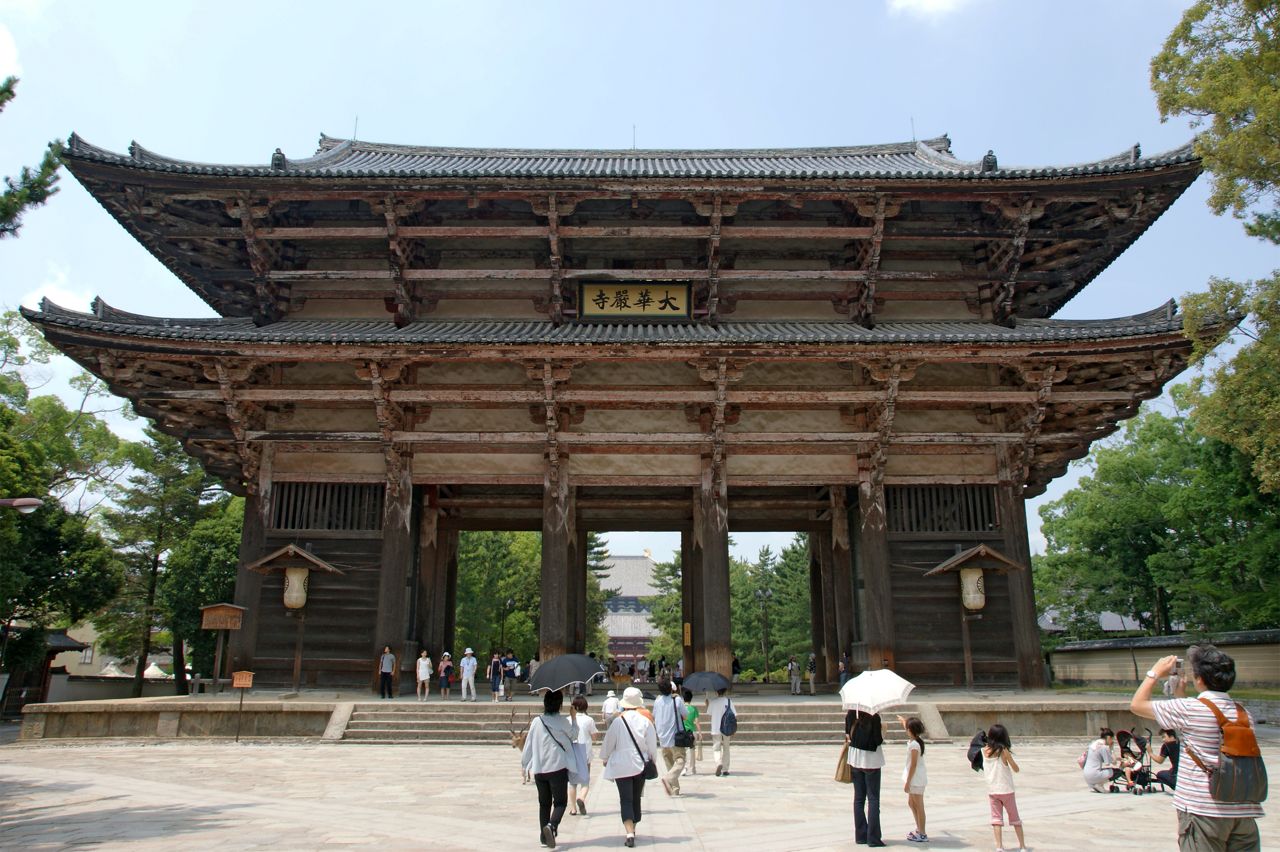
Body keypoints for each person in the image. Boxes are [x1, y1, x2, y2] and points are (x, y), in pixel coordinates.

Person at [1130, 644, 1264, 851]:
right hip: (1243, 810)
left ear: (1199, 679)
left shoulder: (1190, 708)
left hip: (1203, 810)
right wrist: (1180, 694)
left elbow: (1137, 705)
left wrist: (1154, 672)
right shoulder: (1243, 713)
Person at [601, 686, 659, 849]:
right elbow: (652, 746)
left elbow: (608, 743)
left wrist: (605, 757)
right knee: (635, 798)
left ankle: (629, 832)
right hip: (640, 764)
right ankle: (633, 828)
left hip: (621, 765)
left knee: (625, 799)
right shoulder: (646, 721)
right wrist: (653, 761)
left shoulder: (617, 722)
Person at [521, 689, 578, 849]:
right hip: (557, 767)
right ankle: (551, 827)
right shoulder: (562, 722)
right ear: (560, 705)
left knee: (544, 804)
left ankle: (544, 838)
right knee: (560, 802)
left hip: (539, 769)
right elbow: (574, 735)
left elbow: (529, 745)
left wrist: (524, 764)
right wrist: (573, 717)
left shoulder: (537, 721)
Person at [982, 723, 1027, 852]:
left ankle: (999, 846)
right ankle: (1022, 846)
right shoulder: (1004, 751)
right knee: (1015, 818)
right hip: (1006, 789)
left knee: (996, 820)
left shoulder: (983, 751)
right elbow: (1016, 769)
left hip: (992, 790)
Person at [845, 709, 885, 847]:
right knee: (873, 799)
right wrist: (883, 730)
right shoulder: (874, 717)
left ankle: (861, 835)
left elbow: (847, 735)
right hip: (871, 760)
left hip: (855, 759)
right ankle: (873, 837)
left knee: (858, 799)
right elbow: (877, 741)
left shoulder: (851, 713)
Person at [652, 677, 686, 796]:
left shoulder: (657, 701)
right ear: (671, 688)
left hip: (662, 736)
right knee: (680, 760)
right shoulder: (677, 700)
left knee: (669, 763)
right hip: (675, 737)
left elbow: (654, 716)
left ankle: (675, 789)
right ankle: (668, 779)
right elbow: (685, 715)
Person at [898, 714, 928, 843]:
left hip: (916, 779)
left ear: (911, 730)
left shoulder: (915, 745)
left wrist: (908, 782)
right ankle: (919, 828)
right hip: (914, 778)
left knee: (918, 805)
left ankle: (922, 832)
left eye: (907, 728)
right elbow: (908, 726)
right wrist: (904, 721)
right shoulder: (914, 741)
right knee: (911, 803)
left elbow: (913, 765)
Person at [568, 695, 598, 816]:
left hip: (571, 753)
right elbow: (595, 737)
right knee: (585, 781)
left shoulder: (568, 719)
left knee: (572, 783)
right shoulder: (589, 720)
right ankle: (581, 798)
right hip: (584, 753)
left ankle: (573, 808)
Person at [709, 687, 736, 776]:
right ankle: (725, 769)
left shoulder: (713, 702)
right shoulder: (729, 702)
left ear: (717, 692)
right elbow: (734, 716)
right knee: (726, 748)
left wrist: (707, 704)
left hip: (716, 728)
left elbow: (709, 713)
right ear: (725, 691)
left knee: (716, 748)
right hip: (726, 728)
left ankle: (718, 762)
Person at [1082, 727, 1119, 792]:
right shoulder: (1103, 747)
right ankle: (1099, 784)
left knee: (1104, 770)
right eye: (1112, 739)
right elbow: (1113, 762)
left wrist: (1120, 759)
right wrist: (1112, 749)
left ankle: (1097, 785)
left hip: (1086, 774)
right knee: (1118, 772)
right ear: (1108, 738)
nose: (1112, 741)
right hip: (1094, 775)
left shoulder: (1093, 743)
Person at [681, 687, 701, 776]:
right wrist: (700, 732)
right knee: (692, 750)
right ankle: (693, 768)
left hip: (682, 732)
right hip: (692, 731)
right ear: (691, 698)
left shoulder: (680, 708)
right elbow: (696, 721)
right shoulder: (693, 709)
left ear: (683, 698)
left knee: (683, 751)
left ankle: (684, 768)